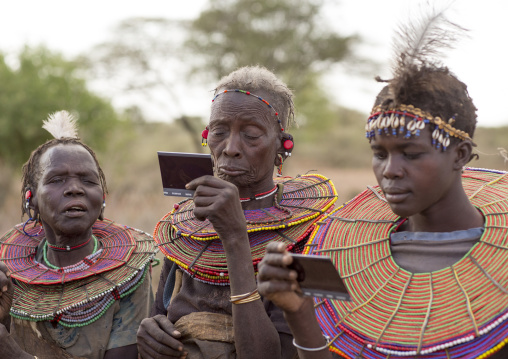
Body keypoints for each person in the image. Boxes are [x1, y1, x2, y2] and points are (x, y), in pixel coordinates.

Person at [257, 12, 508, 359]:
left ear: (460, 155)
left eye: (411, 154)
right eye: (379, 153)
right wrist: (299, 312)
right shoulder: (345, 261)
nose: (390, 171)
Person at [136, 66, 338, 359]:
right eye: (219, 132)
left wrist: (234, 235)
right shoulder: (187, 228)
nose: (230, 148)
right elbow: (162, 315)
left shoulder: (313, 236)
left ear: (282, 145)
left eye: (251, 134)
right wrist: (151, 334)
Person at [0, 111, 157, 359]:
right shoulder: (10, 272)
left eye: (88, 180)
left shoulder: (128, 277)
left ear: (102, 197)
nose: (74, 189)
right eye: (57, 179)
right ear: (32, 199)